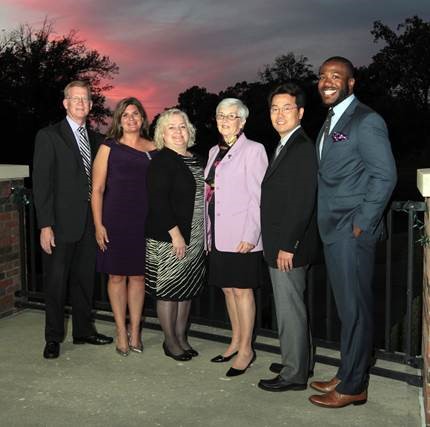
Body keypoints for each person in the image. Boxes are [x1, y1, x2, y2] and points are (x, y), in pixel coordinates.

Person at [309, 57, 397, 408]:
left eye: (335, 76)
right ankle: (348, 370)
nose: (326, 82)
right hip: (334, 228)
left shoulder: (367, 120)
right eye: (322, 76)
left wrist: (362, 221)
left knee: (356, 310)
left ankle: (354, 386)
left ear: (351, 83)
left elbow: (385, 176)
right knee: (348, 309)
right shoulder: (331, 120)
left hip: (351, 230)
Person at [33, 80, 113, 359]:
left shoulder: (97, 140)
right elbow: (42, 184)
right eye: (74, 98)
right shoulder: (49, 135)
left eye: (85, 99)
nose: (80, 103)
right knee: (56, 283)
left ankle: (83, 331)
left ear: (91, 106)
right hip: (60, 224)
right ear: (65, 103)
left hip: (90, 223)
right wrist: (45, 225)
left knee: (84, 281)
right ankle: (53, 337)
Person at [258, 83, 318, 392]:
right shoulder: (284, 144)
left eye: (287, 108)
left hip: (289, 247)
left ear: (301, 112)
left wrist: (287, 246)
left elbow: (303, 201)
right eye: (274, 109)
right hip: (283, 244)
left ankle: (293, 375)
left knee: (289, 308)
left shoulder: (302, 147)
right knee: (294, 306)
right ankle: (300, 361)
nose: (279, 114)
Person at [205, 98, 268, 377]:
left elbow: (259, 196)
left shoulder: (254, 150)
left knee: (242, 291)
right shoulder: (212, 152)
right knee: (228, 290)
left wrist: (251, 234)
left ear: (242, 122)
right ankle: (234, 341)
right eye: (221, 115)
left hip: (242, 235)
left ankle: (246, 350)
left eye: (232, 116)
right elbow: (210, 193)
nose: (225, 120)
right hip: (218, 234)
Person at [91, 97, 156, 356]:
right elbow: (96, 189)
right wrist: (98, 225)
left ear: (143, 118)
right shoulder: (109, 147)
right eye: (125, 114)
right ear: (118, 119)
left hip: (144, 220)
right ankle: (120, 331)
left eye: (136, 114)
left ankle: (136, 330)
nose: (131, 119)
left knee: (139, 277)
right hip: (114, 219)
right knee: (116, 276)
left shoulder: (154, 147)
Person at [145, 108, 206, 361]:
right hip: (170, 237)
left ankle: (182, 337)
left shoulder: (196, 159)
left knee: (186, 288)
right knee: (168, 290)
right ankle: (170, 342)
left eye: (182, 126)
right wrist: (176, 235)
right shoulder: (161, 160)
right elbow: (158, 202)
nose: (178, 132)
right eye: (171, 127)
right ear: (162, 133)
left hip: (196, 235)